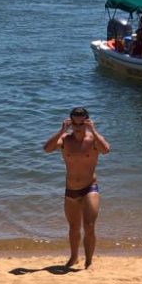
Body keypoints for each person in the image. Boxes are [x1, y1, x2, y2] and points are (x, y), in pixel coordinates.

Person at [43, 107, 110, 269]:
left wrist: (93, 130)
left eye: (81, 123)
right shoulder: (65, 140)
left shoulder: (93, 140)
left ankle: (88, 261)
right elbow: (47, 148)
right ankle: (74, 258)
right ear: (70, 122)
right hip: (71, 189)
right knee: (73, 228)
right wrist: (61, 131)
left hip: (89, 188)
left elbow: (106, 150)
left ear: (87, 122)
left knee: (89, 225)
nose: (78, 127)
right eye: (75, 123)